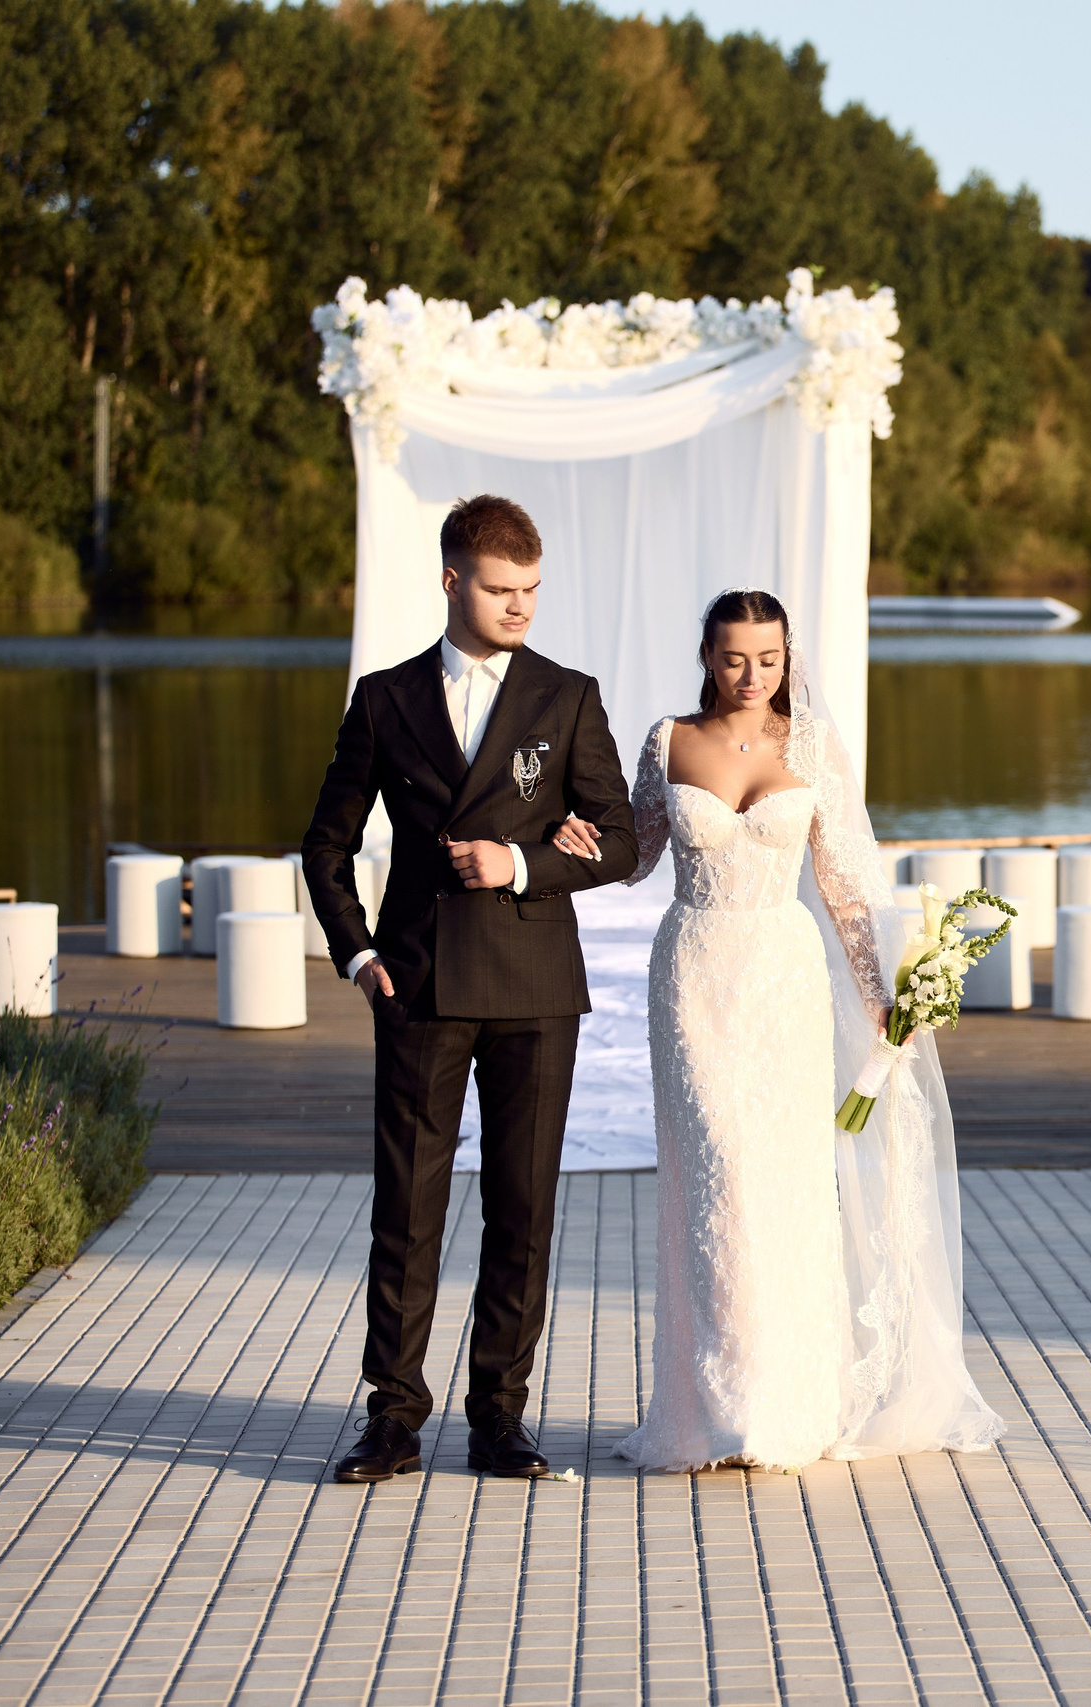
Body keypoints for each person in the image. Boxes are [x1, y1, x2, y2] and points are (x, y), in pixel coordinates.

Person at [547, 588, 1002, 1470]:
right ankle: (713, 1408)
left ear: (788, 656)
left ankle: (787, 1404)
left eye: (768, 657)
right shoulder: (668, 740)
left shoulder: (815, 747)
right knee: (717, 1174)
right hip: (694, 975)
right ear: (705, 655)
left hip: (784, 981)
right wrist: (571, 842)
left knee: (785, 1184)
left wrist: (884, 995)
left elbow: (842, 882)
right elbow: (637, 854)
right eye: (733, 657)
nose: (751, 675)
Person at [301, 495, 637, 1484]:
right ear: (453, 580)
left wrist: (525, 863)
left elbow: (618, 841)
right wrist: (359, 956)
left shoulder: (566, 696)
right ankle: (393, 1419)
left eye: (532, 590)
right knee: (407, 1207)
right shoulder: (385, 698)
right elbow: (326, 845)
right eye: (500, 590)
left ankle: (500, 1419)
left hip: (536, 988)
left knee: (521, 1206)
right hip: (418, 985)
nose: (520, 606)